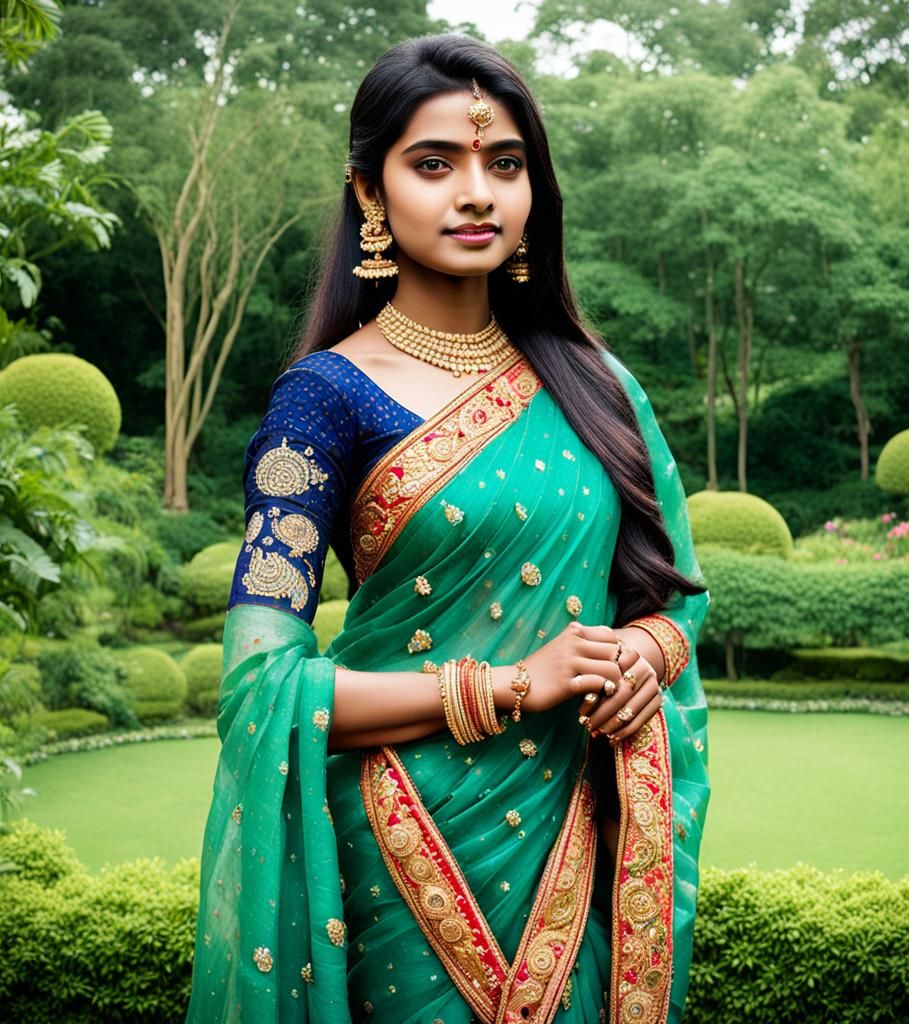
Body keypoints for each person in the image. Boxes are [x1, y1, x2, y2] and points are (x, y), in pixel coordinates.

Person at [185, 33, 710, 1024]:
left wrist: (640, 654)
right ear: (370, 191)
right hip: (402, 850)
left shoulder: (600, 388)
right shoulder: (323, 401)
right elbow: (261, 688)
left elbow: (673, 597)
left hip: (573, 833)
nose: (476, 194)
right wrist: (513, 684)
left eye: (504, 164)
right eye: (434, 164)